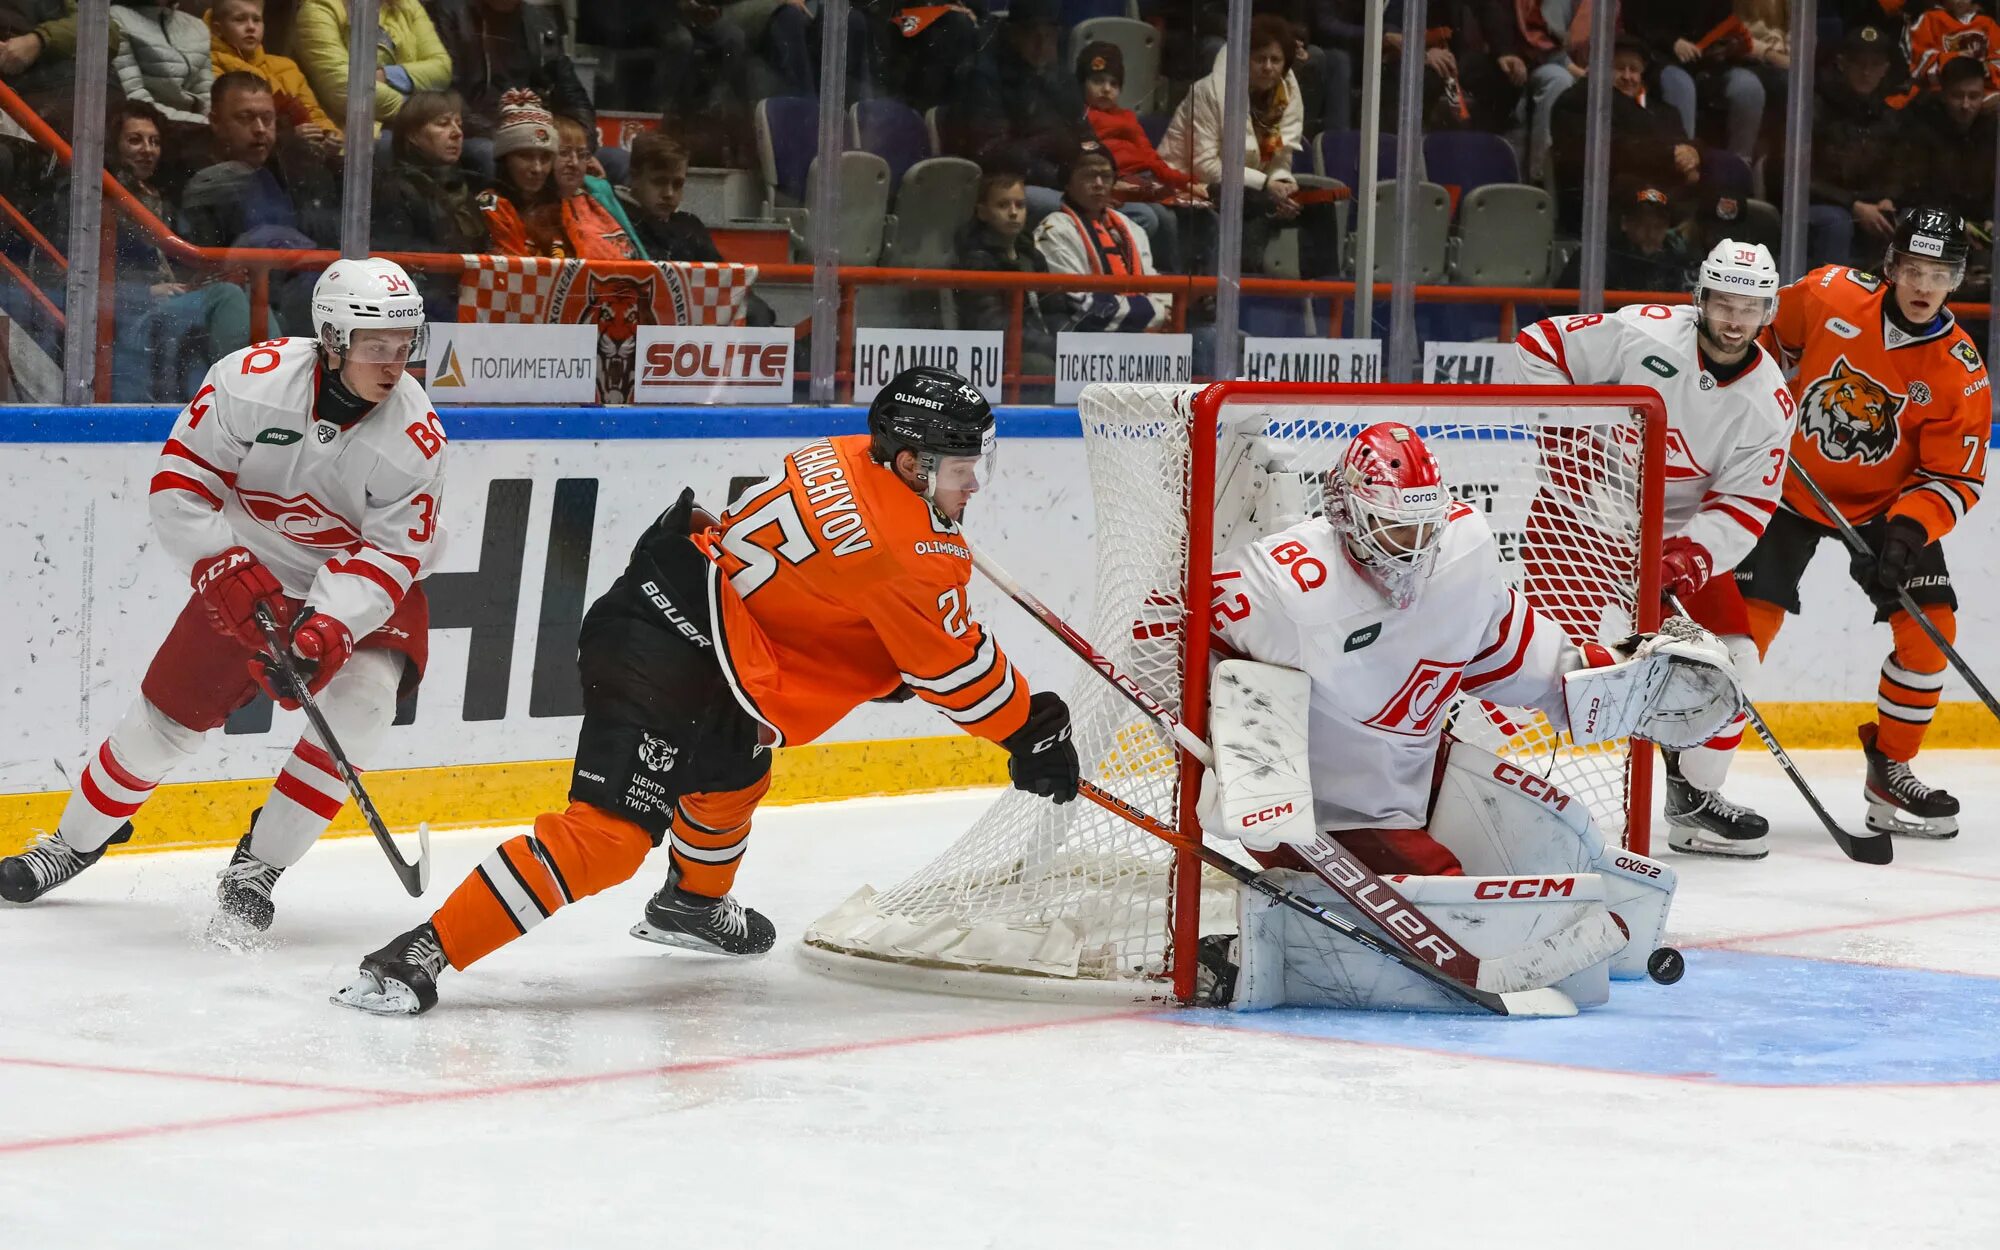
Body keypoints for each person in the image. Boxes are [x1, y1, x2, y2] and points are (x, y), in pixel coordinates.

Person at [332, 367, 1082, 1015]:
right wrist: (1030, 731)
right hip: (670, 649)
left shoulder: (847, 454)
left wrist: (869, 656)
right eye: (960, 468)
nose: (974, 483)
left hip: (704, 626)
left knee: (732, 771)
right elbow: (959, 676)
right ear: (913, 463)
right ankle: (419, 953)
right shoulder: (909, 552)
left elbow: (819, 593)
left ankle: (690, 905)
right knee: (609, 838)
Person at [1188, 423, 1730, 1008]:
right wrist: (1224, 742)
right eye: (1395, 528)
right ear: (1348, 512)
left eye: (1424, 527)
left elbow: (1502, 646)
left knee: (1558, 833)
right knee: (1461, 905)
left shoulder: (1463, 546)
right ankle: (1263, 954)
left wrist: (1610, 675)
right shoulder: (1284, 582)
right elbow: (1163, 624)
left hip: (1424, 767)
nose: (1413, 546)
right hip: (1329, 810)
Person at [0, 259, 444, 939]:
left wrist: (328, 627)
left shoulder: (415, 439)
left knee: (363, 706)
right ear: (331, 338)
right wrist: (221, 564)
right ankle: (73, 842)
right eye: (374, 345)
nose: (394, 364)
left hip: (355, 585)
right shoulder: (251, 381)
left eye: (404, 344)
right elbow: (181, 484)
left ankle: (257, 868)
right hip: (248, 562)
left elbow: (391, 555)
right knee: (161, 729)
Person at [1513, 239, 1795, 859]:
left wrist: (1688, 559)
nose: (1734, 319)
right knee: (1528, 663)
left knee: (1736, 660)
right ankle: (1459, 789)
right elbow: (1540, 345)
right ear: (1701, 298)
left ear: (1769, 312)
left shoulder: (1769, 402)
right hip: (1577, 520)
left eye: (1750, 307)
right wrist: (1574, 446)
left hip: (1671, 536)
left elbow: (1747, 504)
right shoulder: (1644, 332)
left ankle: (1694, 802)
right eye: (1723, 302)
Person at [1737, 208, 1990, 840]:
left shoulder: (1959, 370)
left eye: (1939, 272)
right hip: (1785, 489)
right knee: (1740, 638)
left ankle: (1892, 770)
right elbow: (1756, 344)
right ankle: (1695, 783)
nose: (1923, 285)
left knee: (1931, 635)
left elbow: (1955, 478)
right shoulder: (1827, 294)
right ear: (1891, 268)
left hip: (1884, 508)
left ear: (1958, 279)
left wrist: (1908, 531)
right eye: (1912, 268)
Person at [107, 99, 255, 401]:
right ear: (113, 145)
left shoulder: (164, 200)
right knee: (226, 297)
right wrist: (147, 290)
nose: (147, 149)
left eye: (154, 141)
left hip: (171, 310)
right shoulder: (98, 199)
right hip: (129, 320)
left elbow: (183, 260)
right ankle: (239, 401)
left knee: (253, 299)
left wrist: (204, 277)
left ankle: (274, 398)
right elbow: (72, 278)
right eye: (135, 140)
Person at [1161, 17, 1303, 271]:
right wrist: (1265, 184)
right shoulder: (1207, 92)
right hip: (1190, 184)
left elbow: (1281, 159)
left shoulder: (1285, 97)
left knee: (1316, 207)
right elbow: (1205, 166)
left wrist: (1283, 182)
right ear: (1243, 59)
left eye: (1276, 60)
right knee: (1253, 201)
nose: (1268, 67)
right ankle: (1244, 295)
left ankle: (1324, 297)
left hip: (1251, 187)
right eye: (1260, 59)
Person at [620, 131, 777, 326]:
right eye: (659, 181)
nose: (669, 193)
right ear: (635, 177)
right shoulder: (618, 223)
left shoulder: (689, 225)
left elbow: (730, 286)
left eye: (677, 184)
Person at [1550, 38, 1699, 232]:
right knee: (1643, 194)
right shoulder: (1579, 100)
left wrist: (1693, 155)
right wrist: (1669, 154)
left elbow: (1683, 143)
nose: (1628, 76)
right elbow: (1609, 149)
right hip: (1609, 199)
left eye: (1634, 69)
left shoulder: (1663, 110)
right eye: (1620, 68)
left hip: (1667, 192)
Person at [428, 0, 593, 176]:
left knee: (614, 160)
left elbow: (571, 91)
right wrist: (514, 136)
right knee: (487, 154)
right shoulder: (451, 13)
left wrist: (582, 144)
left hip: (536, 130)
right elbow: (449, 93)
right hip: (479, 131)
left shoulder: (541, 20)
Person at [373, 89, 492, 320]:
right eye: (443, 124)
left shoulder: (463, 187)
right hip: (429, 314)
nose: (457, 133)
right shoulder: (395, 190)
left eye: (458, 124)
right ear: (413, 135)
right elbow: (406, 267)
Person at [1033, 140, 1172, 333]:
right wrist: (1157, 314)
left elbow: (1153, 284)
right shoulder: (1053, 231)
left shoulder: (1132, 228)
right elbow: (1078, 304)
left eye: (1105, 176)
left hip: (1136, 337)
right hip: (1083, 345)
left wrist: (1169, 305)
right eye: (1089, 176)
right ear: (1067, 182)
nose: (1099, 184)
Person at [1806, 23, 1906, 272]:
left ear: (1885, 70)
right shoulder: (1816, 109)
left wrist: (1888, 198)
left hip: (1871, 206)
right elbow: (1800, 179)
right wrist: (1853, 204)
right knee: (1837, 222)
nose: (1866, 72)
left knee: (1909, 221)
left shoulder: (1891, 117)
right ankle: (1831, 300)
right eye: (1859, 64)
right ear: (1842, 64)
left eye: (1874, 65)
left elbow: (1904, 170)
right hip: (1823, 206)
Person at [1625, 0, 1767, 162]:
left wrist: (1728, 46)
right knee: (1681, 85)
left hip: (1708, 62)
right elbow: (1637, 23)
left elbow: (1723, 21)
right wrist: (1672, 42)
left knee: (1749, 87)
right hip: (1660, 58)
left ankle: (1741, 163)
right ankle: (1685, 162)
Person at [953, 170, 1060, 376]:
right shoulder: (976, 260)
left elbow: (1055, 310)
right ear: (982, 212)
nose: (1013, 212)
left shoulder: (1033, 256)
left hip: (1038, 345)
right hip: (995, 356)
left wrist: (1069, 344)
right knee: (1042, 367)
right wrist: (1053, 345)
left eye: (1020, 205)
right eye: (1003, 205)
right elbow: (993, 325)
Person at [206, 0, 343, 150]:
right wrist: (287, 137)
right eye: (240, 19)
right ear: (217, 28)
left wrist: (328, 133)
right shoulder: (210, 64)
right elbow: (232, 125)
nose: (251, 27)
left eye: (257, 20)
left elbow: (312, 111)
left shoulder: (286, 66)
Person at [294, 0, 452, 128]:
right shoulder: (318, 9)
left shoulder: (407, 5)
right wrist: (416, 111)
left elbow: (442, 68)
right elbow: (346, 88)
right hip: (353, 131)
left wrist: (388, 75)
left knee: (472, 151)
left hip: (419, 121)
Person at [1557, 180, 1692, 294]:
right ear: (1625, 223)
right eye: (1642, 223)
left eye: (1658, 226)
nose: (1650, 233)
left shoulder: (1675, 263)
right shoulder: (1595, 261)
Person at [546, 111, 644, 260]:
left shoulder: (600, 196)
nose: (574, 163)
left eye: (581, 154)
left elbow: (640, 257)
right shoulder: (538, 208)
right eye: (564, 153)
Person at [474, 87, 557, 255]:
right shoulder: (489, 205)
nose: (537, 168)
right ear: (505, 160)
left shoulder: (564, 207)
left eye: (546, 158)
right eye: (525, 156)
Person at [110, 0, 213, 126]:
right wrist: (203, 122)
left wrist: (216, 121)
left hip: (197, 126)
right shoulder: (117, 18)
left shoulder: (197, 26)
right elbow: (135, 98)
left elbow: (205, 91)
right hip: (149, 125)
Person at [1902, 0, 2000, 97]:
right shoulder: (1930, 19)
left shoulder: (1987, 23)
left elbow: (1997, 59)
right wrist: (1958, 61)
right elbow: (1919, 64)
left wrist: (1983, 69)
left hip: (1983, 90)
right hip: (1942, 91)